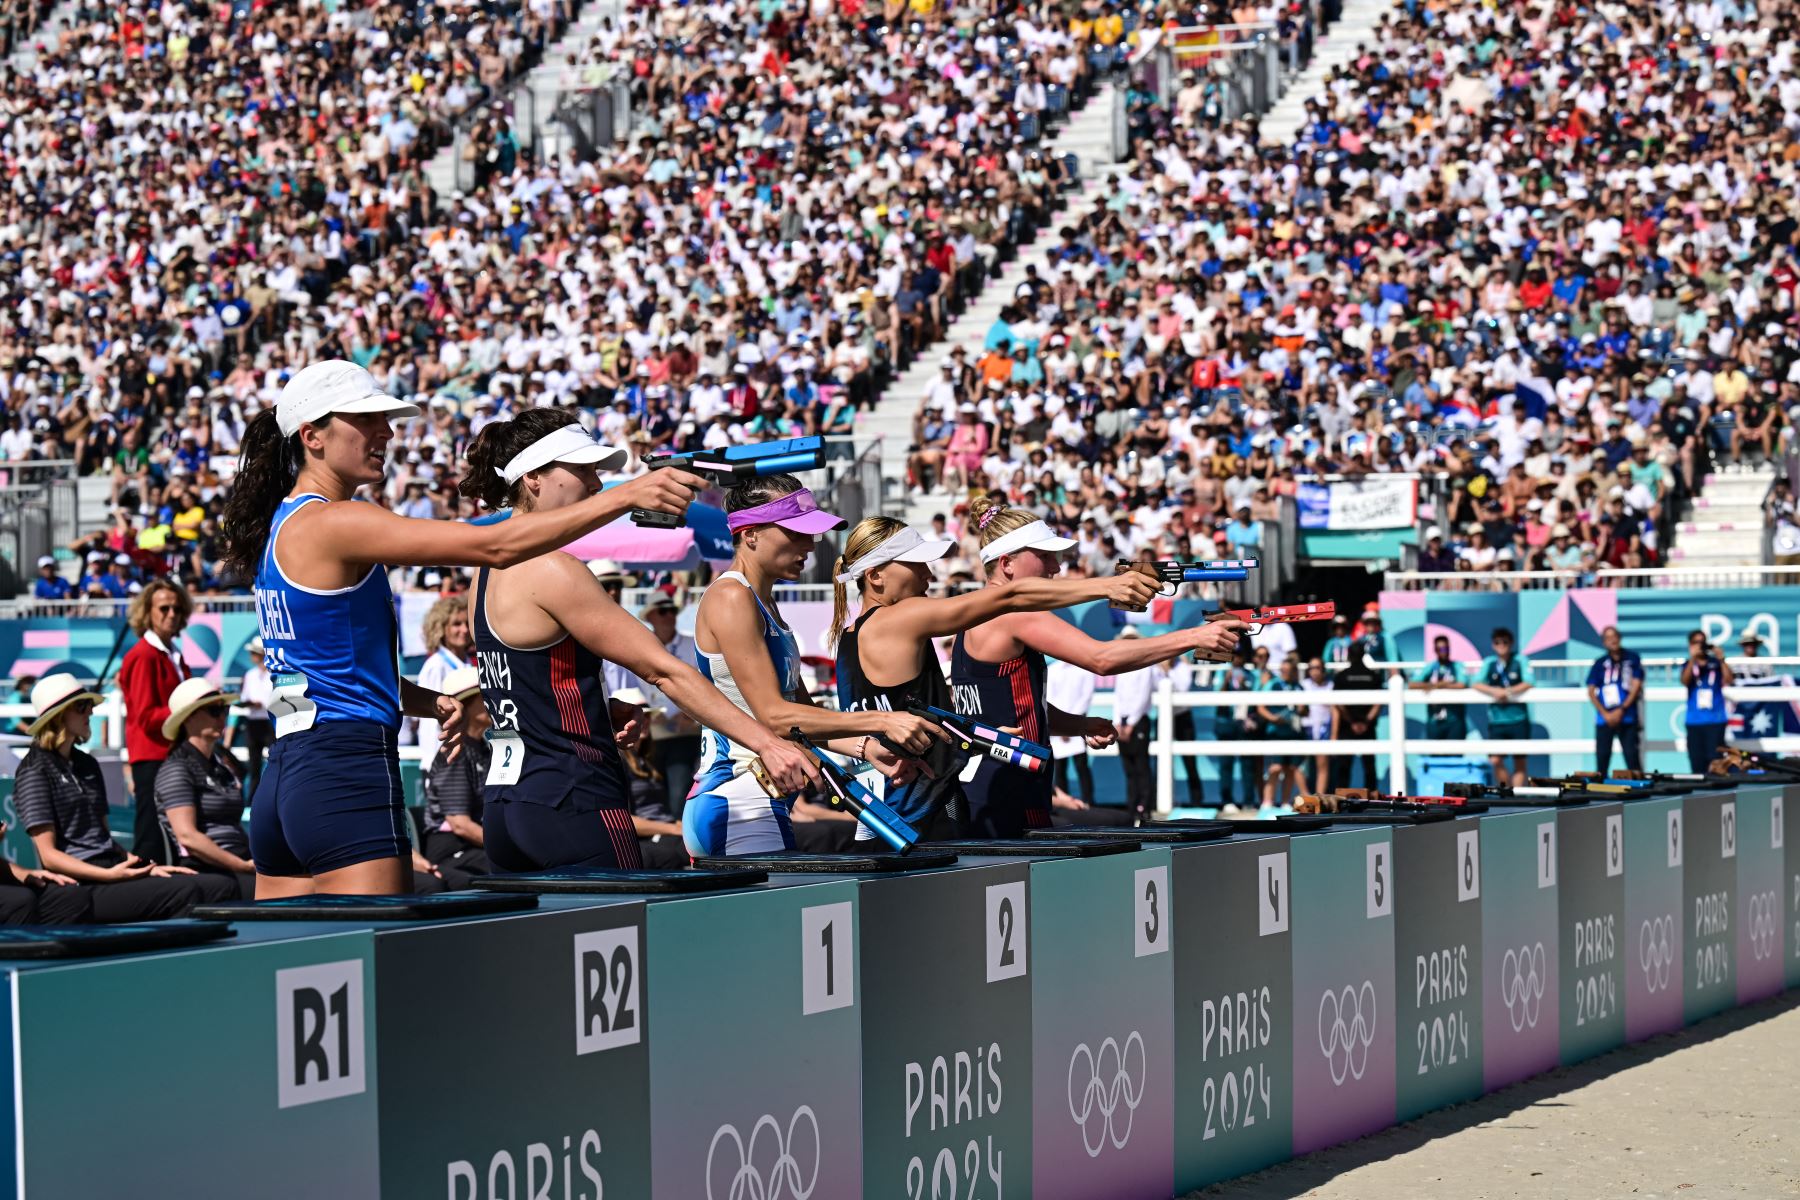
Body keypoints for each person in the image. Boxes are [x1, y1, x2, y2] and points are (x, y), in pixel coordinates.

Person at [218, 359, 711, 897]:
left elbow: (333, 668)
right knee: (374, 970)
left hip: (286, 777)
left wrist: (428, 702)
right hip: (344, 772)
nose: (385, 430)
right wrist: (622, 495)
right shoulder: (334, 521)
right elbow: (493, 546)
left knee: (293, 971)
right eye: (366, 419)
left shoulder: (284, 525)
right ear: (312, 436)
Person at [456, 407, 816, 872]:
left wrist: (597, 713)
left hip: (508, 806)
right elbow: (663, 669)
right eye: (583, 469)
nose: (594, 484)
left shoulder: (484, 575)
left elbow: (526, 691)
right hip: (573, 798)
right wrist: (766, 743)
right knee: (629, 937)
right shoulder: (552, 569)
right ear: (534, 480)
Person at [830, 515, 1159, 839]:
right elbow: (1011, 597)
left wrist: (976, 736)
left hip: (877, 823)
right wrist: (1107, 586)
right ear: (874, 576)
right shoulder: (897, 619)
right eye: (916, 564)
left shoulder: (848, 637)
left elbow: (906, 722)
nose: (928, 574)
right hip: (923, 821)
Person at [950, 494, 1243, 835]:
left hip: (984, 786)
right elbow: (1101, 659)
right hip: (1009, 788)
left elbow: (1006, 708)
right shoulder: (1014, 614)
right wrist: (1193, 638)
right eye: (1044, 557)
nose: (1056, 568)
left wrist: (1078, 724)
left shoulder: (967, 621)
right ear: (1007, 563)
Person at [689, 474, 945, 856]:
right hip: (738, 799)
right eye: (796, 533)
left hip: (756, 798)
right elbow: (775, 717)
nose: (810, 544)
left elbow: (803, 717)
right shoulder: (731, 597)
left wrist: (865, 748)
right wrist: (882, 720)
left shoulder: (762, 602)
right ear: (751, 534)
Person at [16, 674, 237, 920]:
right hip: (83, 884)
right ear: (58, 716)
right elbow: (49, 856)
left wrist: (143, 867)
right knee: (188, 891)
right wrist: (111, 875)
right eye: (82, 706)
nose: (90, 711)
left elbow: (103, 839)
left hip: (110, 870)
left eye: (90, 705)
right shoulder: (34, 771)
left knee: (219, 886)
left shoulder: (86, 764)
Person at [154, 677, 257, 898]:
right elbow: (188, 837)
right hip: (209, 868)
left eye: (225, 709)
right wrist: (242, 866)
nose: (222, 717)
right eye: (214, 711)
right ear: (188, 717)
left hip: (237, 861)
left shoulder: (220, 765)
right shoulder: (177, 768)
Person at [116, 578, 194, 863]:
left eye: (176, 608)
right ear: (147, 612)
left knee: (170, 831)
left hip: (168, 753)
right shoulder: (144, 656)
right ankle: (143, 892)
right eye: (164, 608)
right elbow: (147, 716)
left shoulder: (171, 653)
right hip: (153, 755)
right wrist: (192, 712)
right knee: (151, 833)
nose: (172, 614)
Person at [417, 666, 491, 888]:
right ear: (465, 705)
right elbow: (459, 824)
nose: (492, 702)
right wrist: (505, 846)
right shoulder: (456, 754)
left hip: (473, 847)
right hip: (453, 851)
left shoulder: (482, 748)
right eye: (484, 696)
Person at [637, 594, 703, 817]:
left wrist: (689, 713)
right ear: (651, 616)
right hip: (650, 733)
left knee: (678, 794)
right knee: (656, 793)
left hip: (684, 731)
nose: (670, 616)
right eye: (663, 610)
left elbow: (705, 684)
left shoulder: (691, 644)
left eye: (672, 610)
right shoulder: (641, 646)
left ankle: (679, 843)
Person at [415, 594, 474, 786]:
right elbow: (428, 715)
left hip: (465, 760)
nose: (464, 630)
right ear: (441, 628)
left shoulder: (468, 663)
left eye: (467, 623)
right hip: (442, 763)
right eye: (457, 624)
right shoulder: (436, 666)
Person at [1475, 628, 1534, 786]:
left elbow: (1529, 682)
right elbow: (1475, 683)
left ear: (1511, 643)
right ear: (1493, 645)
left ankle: (1517, 796)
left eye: (1505, 642)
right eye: (1497, 642)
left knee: (1519, 761)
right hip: (1497, 720)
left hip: (1518, 719)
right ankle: (1505, 791)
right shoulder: (1489, 663)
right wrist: (1494, 691)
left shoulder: (1520, 660)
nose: (1501, 645)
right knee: (1495, 759)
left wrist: (1508, 692)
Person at [1111, 632, 1160, 823]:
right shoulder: (1123, 667)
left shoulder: (1145, 666)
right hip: (1123, 721)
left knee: (1141, 766)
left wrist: (1130, 722)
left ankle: (1144, 807)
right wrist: (1117, 722)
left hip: (1138, 720)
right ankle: (1132, 808)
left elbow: (1142, 696)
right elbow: (1118, 696)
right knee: (1129, 768)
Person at [1586, 625, 1645, 775]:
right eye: (1608, 638)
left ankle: (1640, 793)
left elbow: (1637, 685)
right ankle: (1600, 793)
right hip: (1605, 719)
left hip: (1627, 716)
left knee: (1632, 758)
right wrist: (1605, 713)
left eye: (1614, 636)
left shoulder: (1632, 658)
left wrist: (1622, 709)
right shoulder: (1600, 663)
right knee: (1602, 758)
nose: (1612, 640)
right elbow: (1591, 691)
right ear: (1604, 642)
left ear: (1619, 638)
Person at [1330, 641, 1383, 790]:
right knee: (1369, 766)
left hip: (1347, 727)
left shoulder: (1341, 677)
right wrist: (1365, 722)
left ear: (1348, 655)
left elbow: (1337, 703)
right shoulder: (1373, 676)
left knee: (1344, 766)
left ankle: (1341, 799)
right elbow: (1379, 702)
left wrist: (1352, 721)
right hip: (1367, 727)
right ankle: (1373, 799)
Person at [1255, 658, 1306, 810]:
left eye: (1288, 670)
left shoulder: (1298, 687)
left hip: (1293, 731)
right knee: (1275, 767)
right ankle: (1267, 801)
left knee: (1290, 768)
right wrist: (1273, 718)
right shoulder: (1273, 684)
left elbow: (1304, 710)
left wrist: (1302, 709)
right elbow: (1261, 707)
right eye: (1283, 670)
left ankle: (1285, 801)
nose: (1285, 673)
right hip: (1275, 731)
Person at [1047, 657, 1099, 806]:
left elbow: (1086, 697)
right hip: (1059, 725)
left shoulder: (1085, 671)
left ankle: (1088, 802)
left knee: (1081, 765)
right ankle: (1066, 804)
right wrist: (1061, 724)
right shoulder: (1054, 670)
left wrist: (1071, 724)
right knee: (1059, 767)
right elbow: (1049, 698)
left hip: (1077, 724)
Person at [1682, 630, 1734, 774]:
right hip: (1694, 721)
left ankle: (1717, 794)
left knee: (1716, 763)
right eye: (1695, 642)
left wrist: (1722, 659)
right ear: (1690, 644)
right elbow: (1685, 681)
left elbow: (1729, 680)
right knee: (1697, 762)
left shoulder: (1715, 663)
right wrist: (1693, 658)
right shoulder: (1688, 664)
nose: (1699, 645)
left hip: (1715, 720)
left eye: (1702, 642)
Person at [1413, 635, 1470, 742]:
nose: (1443, 652)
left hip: (1455, 719)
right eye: (1440, 649)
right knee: (1435, 756)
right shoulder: (1431, 667)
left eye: (1446, 648)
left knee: (1455, 756)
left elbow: (1462, 684)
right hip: (1435, 720)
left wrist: (1440, 685)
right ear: (1435, 650)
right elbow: (1412, 684)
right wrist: (1437, 685)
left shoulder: (1457, 666)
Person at [235, 639, 274, 794]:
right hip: (253, 724)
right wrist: (249, 703)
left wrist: (261, 704)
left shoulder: (273, 673)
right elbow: (244, 698)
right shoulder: (250, 675)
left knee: (274, 762)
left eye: (253, 652)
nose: (251, 655)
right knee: (254, 765)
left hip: (270, 723)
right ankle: (252, 801)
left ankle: (271, 796)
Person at [1300, 658, 1334, 792]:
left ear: (1323, 670)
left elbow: (1334, 711)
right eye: (1312, 668)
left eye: (1317, 668)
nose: (1314, 671)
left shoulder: (1330, 686)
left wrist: (1334, 734)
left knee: (1322, 765)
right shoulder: (1303, 685)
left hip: (1323, 729)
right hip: (1306, 728)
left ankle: (1318, 798)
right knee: (1300, 765)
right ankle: (1305, 796)